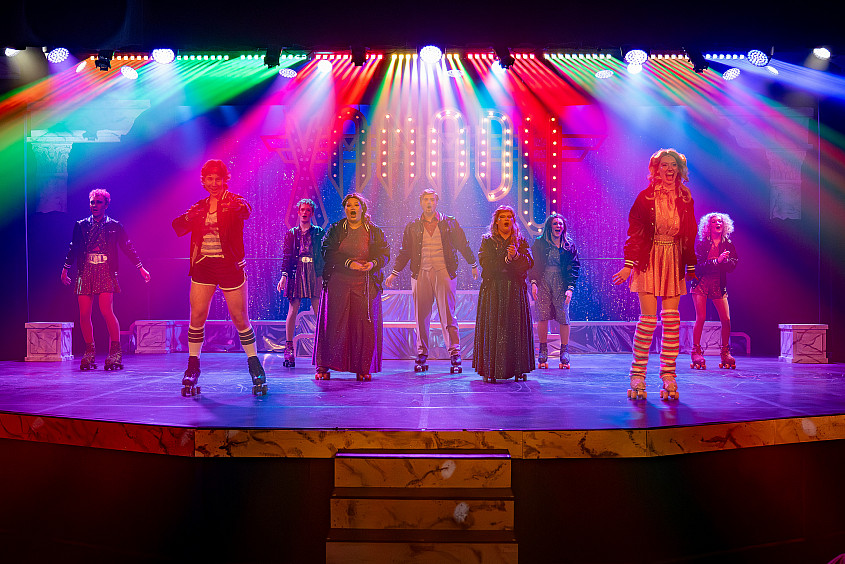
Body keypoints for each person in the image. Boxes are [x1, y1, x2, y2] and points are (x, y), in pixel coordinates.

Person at [171, 159, 266, 396]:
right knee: (198, 316)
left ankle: (254, 365)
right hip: (204, 266)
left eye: (218, 179)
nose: (213, 183)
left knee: (240, 317)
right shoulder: (200, 206)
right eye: (209, 179)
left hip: (229, 266)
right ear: (203, 181)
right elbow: (178, 228)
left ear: (225, 180)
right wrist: (190, 216)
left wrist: (236, 204)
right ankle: (193, 366)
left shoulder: (233, 202)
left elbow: (245, 210)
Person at [612, 148, 697, 401]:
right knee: (648, 320)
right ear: (656, 170)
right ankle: (637, 374)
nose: (669, 169)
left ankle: (668, 375)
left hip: (673, 258)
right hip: (649, 259)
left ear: (679, 170)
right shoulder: (645, 198)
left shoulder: (685, 198)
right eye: (664, 165)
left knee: (672, 320)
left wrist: (690, 266)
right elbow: (635, 233)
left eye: (673, 165)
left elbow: (690, 233)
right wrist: (629, 265)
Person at [385, 189, 478, 374]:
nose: (429, 203)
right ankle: (421, 353)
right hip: (421, 273)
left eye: (432, 200)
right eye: (426, 200)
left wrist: (473, 264)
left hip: (444, 271)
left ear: (437, 202)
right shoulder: (413, 226)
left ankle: (454, 352)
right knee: (421, 315)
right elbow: (405, 251)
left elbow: (462, 244)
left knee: (448, 314)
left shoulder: (449, 222)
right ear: (421, 202)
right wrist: (394, 273)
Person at [61, 189, 151, 370]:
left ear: (106, 204)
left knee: (106, 311)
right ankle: (89, 352)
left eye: (99, 202)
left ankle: (115, 352)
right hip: (86, 270)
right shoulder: (81, 225)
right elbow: (73, 247)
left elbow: (128, 247)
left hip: (105, 269)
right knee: (84, 314)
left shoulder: (115, 225)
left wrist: (140, 267)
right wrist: (65, 269)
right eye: (92, 202)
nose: (95, 205)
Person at [313, 193, 390, 381]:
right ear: (345, 209)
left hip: (365, 283)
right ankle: (325, 366)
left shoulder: (374, 231)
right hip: (338, 281)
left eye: (356, 205)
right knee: (333, 323)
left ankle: (363, 367)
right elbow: (327, 251)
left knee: (363, 325)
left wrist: (372, 264)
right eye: (348, 205)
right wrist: (349, 263)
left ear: (363, 209)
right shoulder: (336, 229)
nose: (352, 208)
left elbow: (385, 253)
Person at [473, 205, 535, 383]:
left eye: (510, 217)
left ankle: (518, 368)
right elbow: (487, 263)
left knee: (515, 329)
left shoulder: (520, 241)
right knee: (494, 328)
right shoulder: (488, 240)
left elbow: (529, 263)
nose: (507, 219)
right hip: (494, 290)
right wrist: (506, 259)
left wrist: (516, 257)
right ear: (496, 221)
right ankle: (491, 369)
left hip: (515, 289)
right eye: (503, 217)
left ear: (513, 221)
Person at [276, 199, 325, 368]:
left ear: (312, 213)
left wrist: (325, 275)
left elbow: (323, 254)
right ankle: (289, 349)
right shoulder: (292, 233)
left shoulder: (318, 232)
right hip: (296, 272)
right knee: (293, 308)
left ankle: (322, 348)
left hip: (314, 272)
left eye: (308, 210)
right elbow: (287, 255)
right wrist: (284, 275)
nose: (304, 212)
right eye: (302, 209)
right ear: (298, 212)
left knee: (319, 309)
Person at [529, 213, 581, 369]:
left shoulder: (568, 245)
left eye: (560, 224)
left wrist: (570, 288)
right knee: (543, 314)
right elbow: (534, 264)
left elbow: (574, 268)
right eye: (555, 224)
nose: (558, 226)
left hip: (561, 282)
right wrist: (533, 283)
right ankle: (543, 350)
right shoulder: (540, 244)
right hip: (544, 280)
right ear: (549, 227)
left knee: (563, 315)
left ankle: (564, 350)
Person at [690, 212, 738, 370]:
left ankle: (725, 352)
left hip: (718, 284)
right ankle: (696, 351)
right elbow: (698, 267)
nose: (718, 223)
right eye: (714, 222)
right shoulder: (702, 244)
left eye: (720, 221)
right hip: (701, 283)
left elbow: (732, 266)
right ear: (708, 226)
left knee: (726, 319)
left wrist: (725, 261)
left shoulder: (728, 243)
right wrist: (716, 261)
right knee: (701, 317)